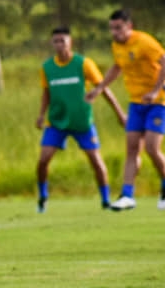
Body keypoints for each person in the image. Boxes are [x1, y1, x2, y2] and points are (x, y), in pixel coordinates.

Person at [86, 8, 165, 211]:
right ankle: (127, 195)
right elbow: (117, 67)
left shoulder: (144, 42)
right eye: (111, 28)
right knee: (132, 148)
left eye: (118, 28)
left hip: (159, 101)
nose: (114, 33)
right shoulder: (117, 46)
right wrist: (99, 88)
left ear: (129, 26)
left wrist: (155, 90)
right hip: (136, 103)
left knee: (151, 147)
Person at [35, 27, 127, 212]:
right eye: (56, 41)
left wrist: (119, 113)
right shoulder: (47, 67)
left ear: (71, 42)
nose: (59, 45)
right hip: (57, 122)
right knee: (44, 159)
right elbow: (46, 93)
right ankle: (43, 197)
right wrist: (41, 114)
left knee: (95, 160)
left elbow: (103, 88)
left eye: (62, 41)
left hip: (82, 122)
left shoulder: (83, 63)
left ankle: (106, 200)